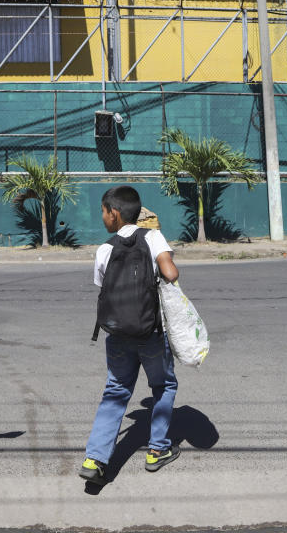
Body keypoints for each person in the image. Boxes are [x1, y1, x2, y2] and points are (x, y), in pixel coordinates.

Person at [79, 186, 180, 485]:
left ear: (114, 213)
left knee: (115, 392)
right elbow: (171, 274)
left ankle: (95, 459)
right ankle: (157, 450)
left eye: (103, 211)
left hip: (118, 334)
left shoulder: (105, 248)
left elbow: (103, 287)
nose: (102, 217)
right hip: (151, 332)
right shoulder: (153, 237)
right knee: (163, 385)